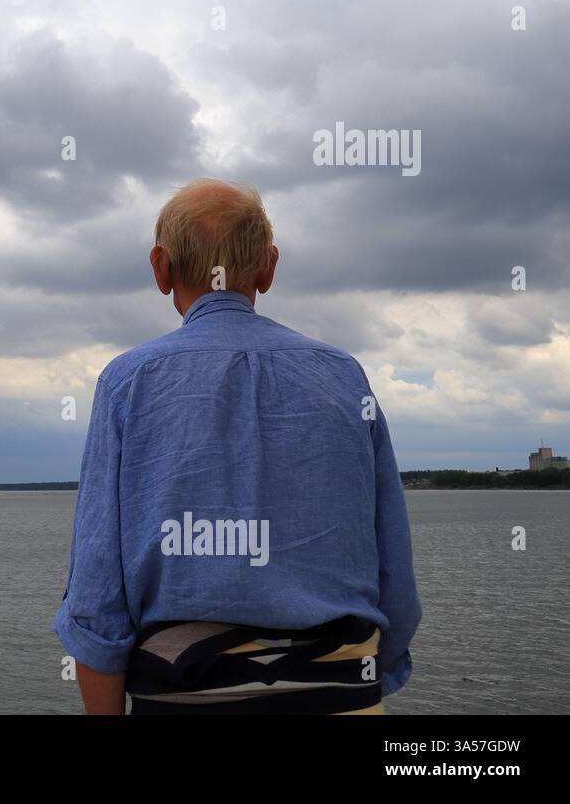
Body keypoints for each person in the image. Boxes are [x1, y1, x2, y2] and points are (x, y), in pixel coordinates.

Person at [54, 178, 421, 715]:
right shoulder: (343, 375)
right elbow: (394, 570)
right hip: (344, 689)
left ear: (160, 268)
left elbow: (97, 597)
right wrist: (369, 676)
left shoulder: (127, 381)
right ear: (268, 267)